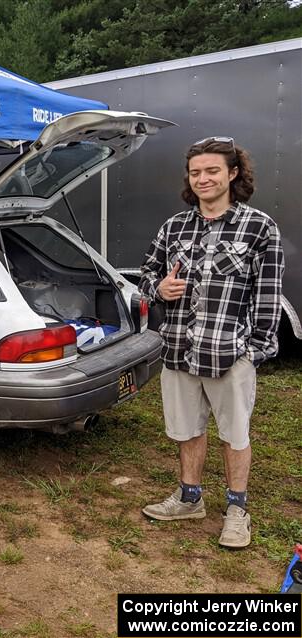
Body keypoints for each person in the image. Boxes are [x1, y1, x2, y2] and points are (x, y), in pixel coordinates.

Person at [139, 137, 284, 548]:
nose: (202, 179)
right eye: (195, 172)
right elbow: (147, 275)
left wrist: (253, 351)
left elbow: (269, 295)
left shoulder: (258, 228)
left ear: (233, 173)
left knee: (235, 434)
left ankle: (237, 510)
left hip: (229, 352)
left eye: (212, 171)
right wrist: (159, 287)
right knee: (186, 430)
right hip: (179, 349)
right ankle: (190, 498)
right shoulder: (174, 227)